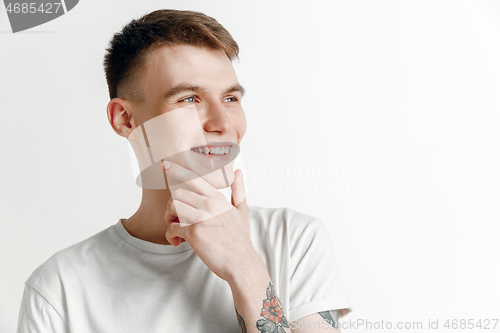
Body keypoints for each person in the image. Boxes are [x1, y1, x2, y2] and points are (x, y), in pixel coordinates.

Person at [17, 9, 352, 333]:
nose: (222, 124)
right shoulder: (59, 289)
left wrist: (246, 269)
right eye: (190, 99)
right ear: (125, 119)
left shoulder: (295, 241)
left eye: (231, 99)